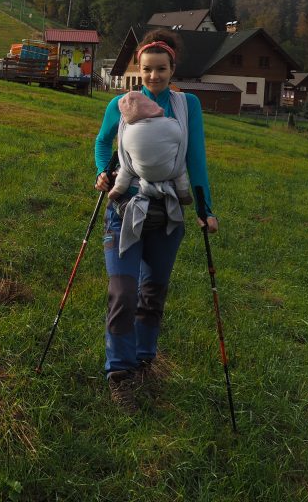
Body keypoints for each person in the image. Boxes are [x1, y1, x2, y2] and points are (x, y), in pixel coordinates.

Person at [93, 29, 218, 414]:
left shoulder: (188, 106)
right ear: (138, 69)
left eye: (161, 69)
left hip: (169, 214)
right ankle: (120, 373)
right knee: (123, 293)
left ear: (172, 68)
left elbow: (195, 157)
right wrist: (103, 171)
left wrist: (205, 208)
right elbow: (102, 143)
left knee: (153, 293)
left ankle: (144, 361)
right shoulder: (121, 103)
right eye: (147, 69)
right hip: (125, 210)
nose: (153, 77)